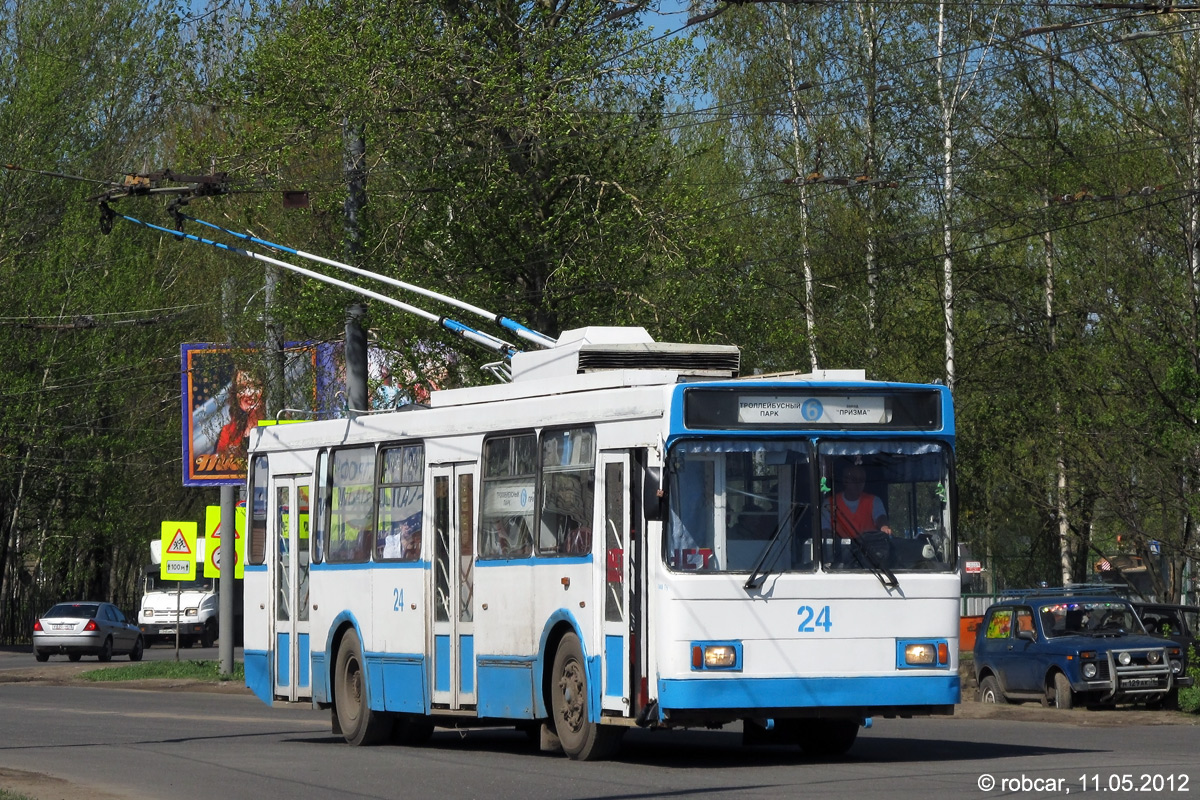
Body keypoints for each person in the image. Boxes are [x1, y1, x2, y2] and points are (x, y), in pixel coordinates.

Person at [821, 464, 892, 538]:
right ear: (845, 481)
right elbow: (825, 530)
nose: (859, 484)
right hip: (839, 549)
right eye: (855, 480)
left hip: (869, 548)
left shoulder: (874, 501)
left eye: (862, 480)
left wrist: (884, 526)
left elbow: (880, 517)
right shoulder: (829, 504)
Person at [216, 370, 265, 460]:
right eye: (242, 388)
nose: (249, 394)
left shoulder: (276, 427)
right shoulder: (227, 432)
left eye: (256, 387)